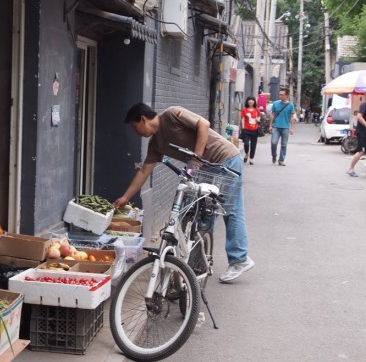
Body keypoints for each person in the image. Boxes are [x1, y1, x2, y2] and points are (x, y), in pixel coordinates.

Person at [114, 103, 254, 284]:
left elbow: (203, 124)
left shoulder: (171, 115)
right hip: (206, 169)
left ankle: (240, 259)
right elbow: (143, 171)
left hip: (225, 159)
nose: (136, 132)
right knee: (199, 214)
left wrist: (196, 157)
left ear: (143, 119)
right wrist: (125, 197)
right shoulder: (155, 144)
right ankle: (196, 264)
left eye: (135, 127)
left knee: (228, 209)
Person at [268, 88, 295, 166]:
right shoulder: (276, 103)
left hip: (285, 127)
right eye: (279, 94)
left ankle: (281, 160)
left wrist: (292, 128)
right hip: (276, 126)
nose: (280, 96)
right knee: (273, 142)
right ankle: (274, 155)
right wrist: (270, 125)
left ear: (286, 96)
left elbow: (292, 117)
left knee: (284, 144)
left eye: (282, 95)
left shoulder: (290, 105)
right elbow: (272, 114)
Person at [346, 100, 366, 177]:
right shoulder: (364, 105)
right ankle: (350, 169)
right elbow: (359, 116)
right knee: (361, 151)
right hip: (363, 133)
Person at [240, 96, 261, 164]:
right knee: (246, 144)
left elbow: (259, 117)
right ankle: (246, 154)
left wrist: (258, 119)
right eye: (249, 100)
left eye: (252, 100)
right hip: (246, 129)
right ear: (247, 101)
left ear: (254, 102)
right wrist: (243, 127)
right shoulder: (244, 110)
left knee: (253, 145)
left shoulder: (257, 110)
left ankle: (251, 159)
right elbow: (242, 119)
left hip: (255, 129)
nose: (251, 101)